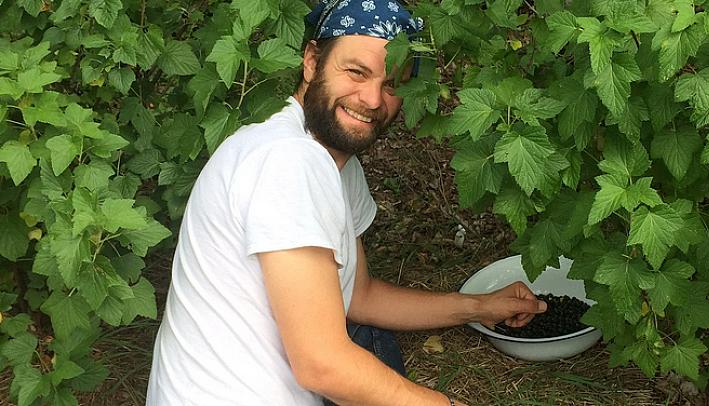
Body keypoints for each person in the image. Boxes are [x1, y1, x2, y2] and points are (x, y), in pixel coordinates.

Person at [145, 1, 549, 404]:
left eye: (392, 84)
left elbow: (359, 297)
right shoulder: (288, 160)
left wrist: (478, 307)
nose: (372, 99)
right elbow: (322, 364)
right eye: (357, 72)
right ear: (311, 62)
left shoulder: (334, 161)